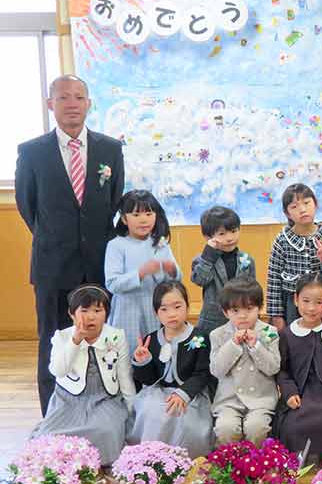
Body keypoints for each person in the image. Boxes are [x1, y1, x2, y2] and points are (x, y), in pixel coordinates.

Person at [15, 75, 125, 415]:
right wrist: (57, 237)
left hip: (98, 263)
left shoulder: (110, 149)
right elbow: (27, 206)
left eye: (79, 97)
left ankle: (102, 410)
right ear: (51, 104)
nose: (72, 104)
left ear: (88, 103)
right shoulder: (32, 151)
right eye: (63, 97)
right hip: (52, 265)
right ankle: (52, 417)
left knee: (102, 340)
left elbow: (114, 199)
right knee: (53, 341)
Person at [31, 285, 134, 464]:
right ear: (72, 314)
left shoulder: (117, 336)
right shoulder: (62, 337)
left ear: (106, 313)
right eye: (84, 310)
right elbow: (58, 371)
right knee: (50, 436)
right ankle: (66, 465)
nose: (91, 316)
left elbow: (124, 376)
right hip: (68, 399)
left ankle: (97, 463)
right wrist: (75, 341)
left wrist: (132, 409)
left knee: (107, 431)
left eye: (97, 310)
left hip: (105, 398)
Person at [128, 281, 214, 458]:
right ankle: (151, 459)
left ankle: (187, 461)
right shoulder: (151, 339)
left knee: (186, 421)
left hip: (190, 394)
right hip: (157, 392)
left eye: (177, 306)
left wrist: (183, 394)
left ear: (187, 306)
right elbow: (149, 380)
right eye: (164, 309)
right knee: (152, 412)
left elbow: (202, 373)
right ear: (156, 313)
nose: (172, 314)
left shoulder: (200, 338)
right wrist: (143, 361)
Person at [275, 272, 322, 462]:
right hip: (300, 392)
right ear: (296, 299)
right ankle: (299, 459)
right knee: (292, 422)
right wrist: (289, 392)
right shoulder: (287, 334)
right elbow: (282, 370)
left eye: (318, 302)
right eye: (306, 301)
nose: (311, 308)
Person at [105, 190, 180, 358]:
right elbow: (112, 283)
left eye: (149, 213)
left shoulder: (160, 243)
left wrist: (172, 271)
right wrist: (140, 273)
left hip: (155, 308)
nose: (144, 219)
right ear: (124, 219)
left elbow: (175, 281)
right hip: (127, 310)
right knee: (127, 354)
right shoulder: (116, 245)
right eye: (136, 214)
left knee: (156, 352)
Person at [209, 278, 280, 445]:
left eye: (249, 308)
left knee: (257, 428)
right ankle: (230, 461)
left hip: (261, 399)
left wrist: (256, 346)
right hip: (229, 401)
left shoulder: (269, 332)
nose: (242, 315)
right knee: (226, 429)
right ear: (225, 312)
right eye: (235, 310)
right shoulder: (218, 334)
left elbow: (273, 368)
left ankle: (256, 460)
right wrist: (233, 344)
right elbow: (217, 370)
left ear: (259, 308)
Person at [266, 183, 322, 330]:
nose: (302, 209)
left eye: (307, 203)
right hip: (293, 305)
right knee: (295, 340)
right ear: (287, 213)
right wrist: (276, 316)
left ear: (315, 204)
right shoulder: (282, 240)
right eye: (294, 206)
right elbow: (273, 280)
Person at [191, 206, 256, 334]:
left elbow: (252, 291)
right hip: (213, 321)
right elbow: (199, 280)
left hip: (242, 318)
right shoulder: (203, 260)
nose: (230, 238)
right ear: (208, 237)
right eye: (222, 234)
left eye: (234, 231)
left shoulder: (247, 259)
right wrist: (209, 255)